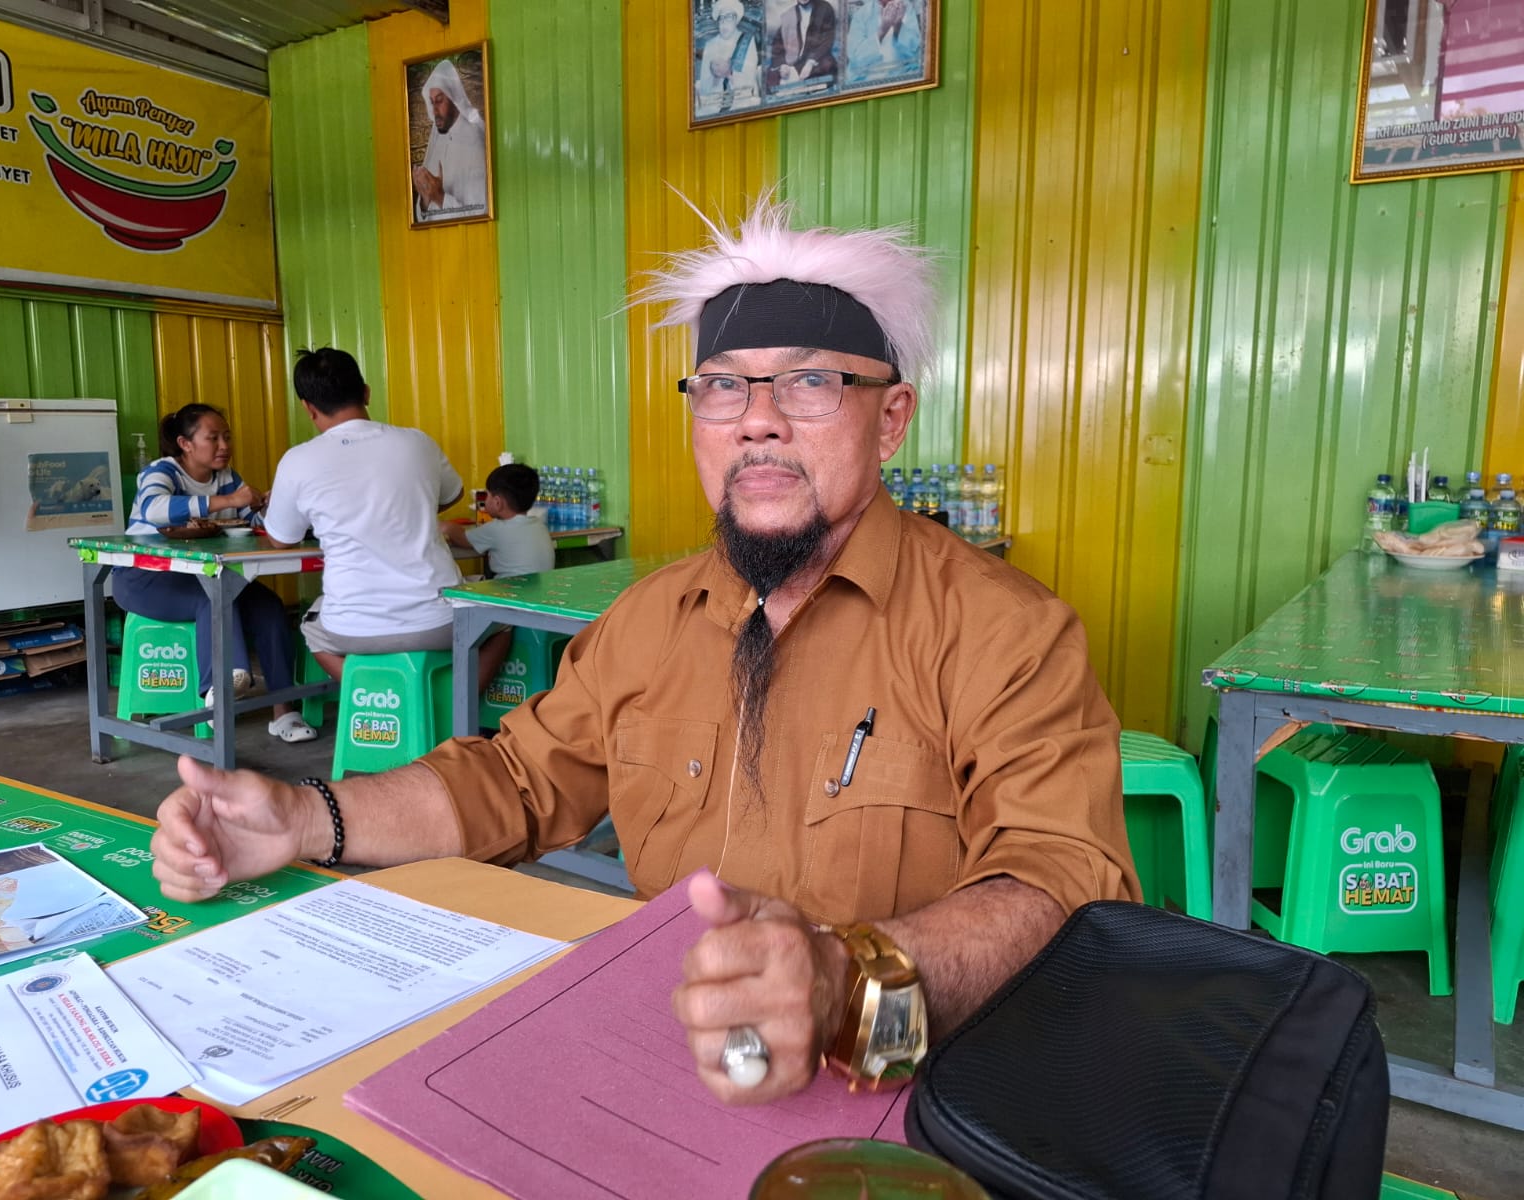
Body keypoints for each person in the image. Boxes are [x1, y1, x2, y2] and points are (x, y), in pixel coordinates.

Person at [150, 199, 1138, 1106]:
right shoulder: (652, 619)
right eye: (723, 387)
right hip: (666, 1072)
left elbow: (1061, 885)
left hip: (901, 1092)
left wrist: (848, 981)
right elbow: (515, 781)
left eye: (810, 382)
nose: (757, 419)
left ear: (890, 419)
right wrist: (301, 817)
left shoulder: (1001, 628)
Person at [262, 348, 466, 684]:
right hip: (439, 621)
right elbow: (453, 494)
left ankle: (377, 694)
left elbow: (281, 539)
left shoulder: (297, 460)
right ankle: (456, 704)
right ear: (367, 392)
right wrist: (407, 505)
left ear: (308, 408)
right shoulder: (418, 442)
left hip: (352, 628)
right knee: (500, 624)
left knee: (312, 630)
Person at [114, 404, 315, 743]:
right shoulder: (162, 472)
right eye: (213, 438)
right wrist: (227, 501)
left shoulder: (226, 478)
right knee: (213, 599)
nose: (224, 445)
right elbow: (155, 509)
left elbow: (252, 522)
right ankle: (219, 690)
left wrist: (268, 508)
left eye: (227, 437)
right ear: (185, 444)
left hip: (206, 577)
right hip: (143, 579)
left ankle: (284, 713)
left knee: (268, 607)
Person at [442, 462, 556, 691]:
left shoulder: (498, 529)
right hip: (539, 596)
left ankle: (465, 687)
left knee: (457, 592)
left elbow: (463, 539)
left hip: (513, 599)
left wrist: (445, 527)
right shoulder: (538, 525)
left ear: (497, 502)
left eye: (487, 495)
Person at [413, 53, 487, 218]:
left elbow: (481, 213)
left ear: (454, 99)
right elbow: (421, 216)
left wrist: (439, 197)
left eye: (439, 100)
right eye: (432, 102)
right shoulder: (437, 138)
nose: (434, 111)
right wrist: (425, 200)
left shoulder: (474, 140)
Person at [697, 0, 761, 115]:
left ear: (736, 20)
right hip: (714, 104)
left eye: (729, 17)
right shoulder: (710, 45)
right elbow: (704, 88)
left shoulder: (747, 40)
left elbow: (750, 79)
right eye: (721, 18)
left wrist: (729, 73)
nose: (724, 22)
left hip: (742, 100)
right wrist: (715, 75)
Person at [769, 0, 837, 90]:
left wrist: (810, 62)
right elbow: (777, 45)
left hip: (818, 59)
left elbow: (828, 39)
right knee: (769, 77)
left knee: (827, 66)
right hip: (793, 63)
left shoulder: (825, 8)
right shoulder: (788, 15)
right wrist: (782, 65)